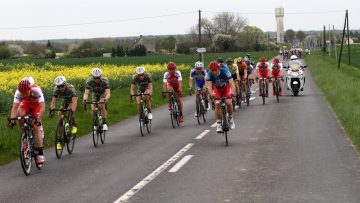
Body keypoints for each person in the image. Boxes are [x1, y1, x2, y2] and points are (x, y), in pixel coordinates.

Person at [8, 79, 46, 164]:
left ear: (30, 89)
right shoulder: (18, 92)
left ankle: (40, 153)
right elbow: (14, 108)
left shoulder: (36, 90)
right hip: (26, 103)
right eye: (22, 93)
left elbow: (42, 108)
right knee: (19, 114)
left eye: (26, 93)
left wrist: (38, 120)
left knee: (36, 126)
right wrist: (12, 121)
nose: (24, 95)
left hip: (37, 105)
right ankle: (25, 135)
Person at [206, 60, 236, 133]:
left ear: (219, 68)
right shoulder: (209, 74)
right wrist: (211, 94)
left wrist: (232, 92)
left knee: (228, 102)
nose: (214, 72)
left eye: (215, 70)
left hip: (226, 87)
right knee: (217, 103)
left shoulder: (225, 71)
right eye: (212, 70)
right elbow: (209, 86)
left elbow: (231, 83)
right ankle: (219, 123)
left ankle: (231, 119)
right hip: (217, 88)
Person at [49, 76, 78, 150]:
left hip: (72, 98)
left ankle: (74, 124)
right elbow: (53, 101)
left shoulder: (71, 88)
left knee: (70, 110)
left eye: (62, 86)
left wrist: (72, 111)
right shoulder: (56, 89)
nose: (60, 88)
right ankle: (59, 140)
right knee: (60, 115)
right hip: (65, 99)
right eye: (58, 86)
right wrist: (52, 110)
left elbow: (74, 101)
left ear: (65, 84)